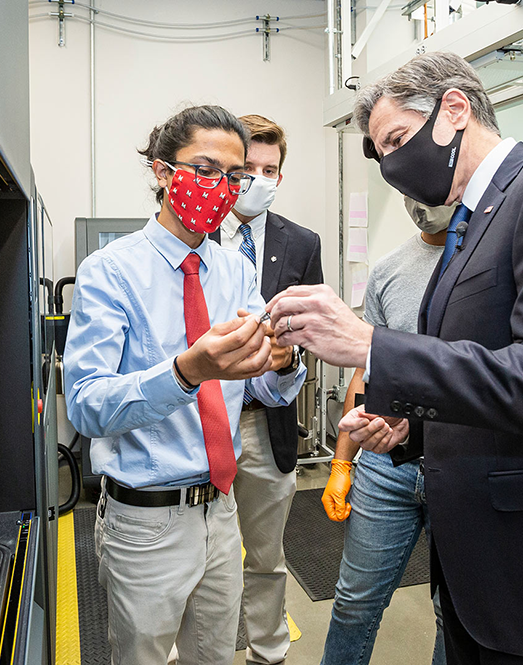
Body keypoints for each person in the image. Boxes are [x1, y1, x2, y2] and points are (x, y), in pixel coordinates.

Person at [266, 51, 523, 665]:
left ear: (455, 108)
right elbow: (484, 367)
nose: (392, 166)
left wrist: (370, 345)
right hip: (478, 573)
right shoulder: (468, 226)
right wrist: (409, 426)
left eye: (397, 141)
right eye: (382, 155)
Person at [63, 104, 306, 665]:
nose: (221, 187)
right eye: (204, 169)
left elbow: (259, 392)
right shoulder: (111, 271)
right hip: (147, 522)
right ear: (162, 171)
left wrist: (283, 363)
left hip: (221, 513)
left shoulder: (234, 270)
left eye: (235, 175)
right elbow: (86, 406)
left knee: (214, 656)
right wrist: (185, 372)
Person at [208, 113, 323, 665]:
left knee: (266, 556)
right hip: (204, 421)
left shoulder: (301, 243)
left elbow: (312, 330)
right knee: (202, 557)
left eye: (269, 170)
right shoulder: (194, 232)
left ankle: (268, 652)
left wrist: (290, 352)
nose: (257, 178)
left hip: (266, 422)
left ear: (281, 175)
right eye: (247, 167)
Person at [319, 196, 452, 665]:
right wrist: (342, 459)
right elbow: (364, 371)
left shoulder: (486, 263)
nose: (421, 200)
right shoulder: (390, 270)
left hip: (457, 465)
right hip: (385, 467)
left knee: (452, 613)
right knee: (354, 602)